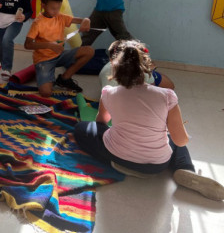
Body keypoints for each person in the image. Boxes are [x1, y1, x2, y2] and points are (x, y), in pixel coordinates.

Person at [74, 40, 224, 201]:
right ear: (147, 67)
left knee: (82, 128)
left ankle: (118, 163)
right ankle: (185, 169)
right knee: (173, 138)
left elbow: (101, 121)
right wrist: (169, 129)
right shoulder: (167, 96)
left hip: (117, 155)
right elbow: (181, 140)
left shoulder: (108, 92)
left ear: (114, 66)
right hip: (157, 166)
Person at [24, 0, 94, 96]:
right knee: (46, 93)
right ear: (43, 5)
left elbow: (80, 20)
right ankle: (46, 77)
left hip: (60, 54)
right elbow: (27, 44)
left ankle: (64, 78)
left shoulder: (60, 17)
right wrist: (49, 45)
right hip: (43, 60)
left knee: (89, 51)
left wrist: (86, 20)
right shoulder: (37, 23)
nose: (56, 11)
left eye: (58, 8)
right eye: (53, 8)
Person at [99, 39, 175, 90]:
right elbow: (154, 91)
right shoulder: (142, 72)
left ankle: (152, 72)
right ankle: (152, 71)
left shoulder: (106, 70)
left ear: (111, 59)